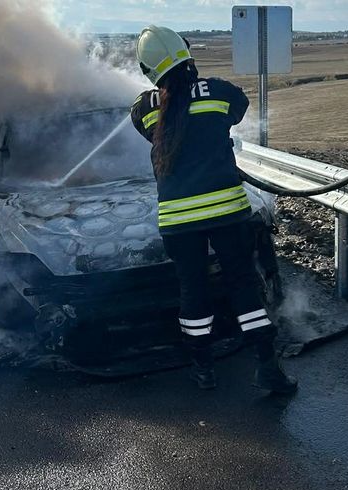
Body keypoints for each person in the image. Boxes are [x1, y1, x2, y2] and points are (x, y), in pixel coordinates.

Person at [130, 25, 297, 394]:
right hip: (227, 213)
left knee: (193, 291)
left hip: (176, 222)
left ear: (147, 70)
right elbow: (237, 111)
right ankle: (267, 368)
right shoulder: (221, 92)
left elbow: (154, 131)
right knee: (242, 285)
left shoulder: (143, 108)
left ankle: (203, 369)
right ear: (187, 53)